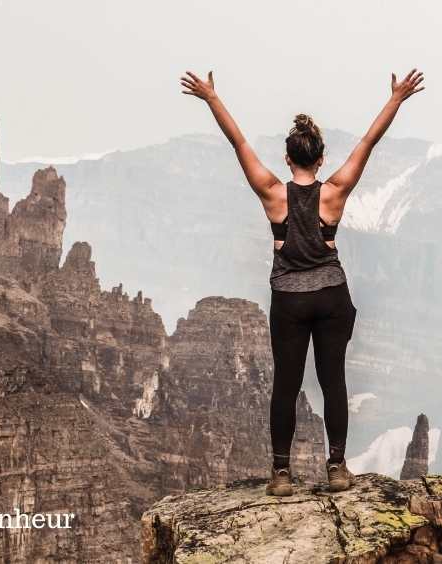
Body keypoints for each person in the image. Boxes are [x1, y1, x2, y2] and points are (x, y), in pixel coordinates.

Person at [180, 68, 425, 496]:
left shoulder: (274, 193)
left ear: (289, 159)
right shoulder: (335, 193)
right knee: (333, 381)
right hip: (331, 297)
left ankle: (281, 475)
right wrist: (396, 100)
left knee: (287, 385)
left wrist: (211, 98)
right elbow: (369, 142)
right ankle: (336, 468)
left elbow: (238, 143)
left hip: (289, 301)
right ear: (321, 159)